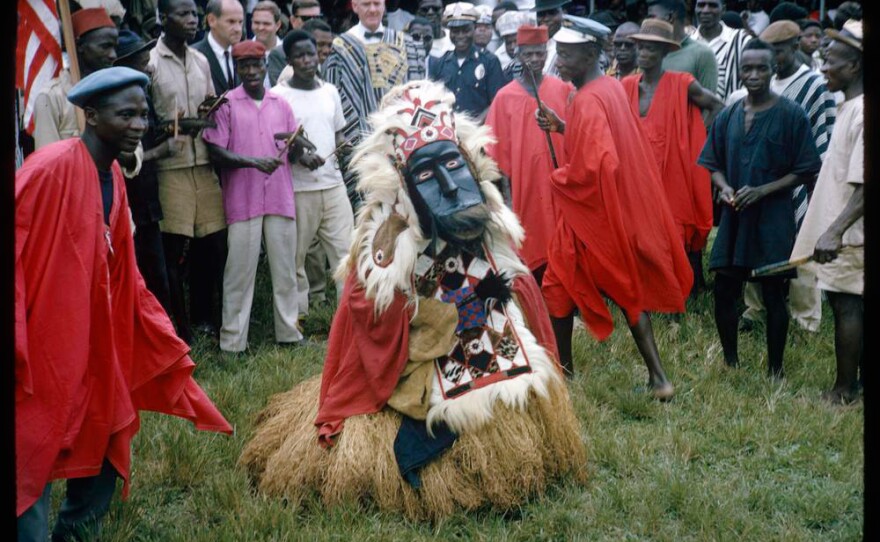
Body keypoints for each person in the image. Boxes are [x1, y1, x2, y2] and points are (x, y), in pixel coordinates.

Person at [240, 80, 586, 520]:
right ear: (403, 178)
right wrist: (430, 315)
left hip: (491, 337)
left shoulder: (484, 207)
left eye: (452, 165)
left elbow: (510, 274)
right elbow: (367, 308)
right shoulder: (386, 233)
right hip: (422, 352)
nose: (448, 184)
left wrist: (494, 295)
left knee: (516, 372)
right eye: (426, 174)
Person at [15, 66, 232, 542]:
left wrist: (149, 323)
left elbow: (118, 264)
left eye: (143, 114)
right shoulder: (47, 169)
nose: (139, 124)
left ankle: (75, 531)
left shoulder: (111, 170)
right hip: (43, 338)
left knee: (106, 422)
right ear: (91, 115)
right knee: (29, 444)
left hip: (94, 336)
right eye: (126, 115)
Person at [536, 16, 691, 398]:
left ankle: (565, 377)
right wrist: (561, 127)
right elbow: (604, 142)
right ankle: (657, 379)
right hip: (615, 210)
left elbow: (599, 163)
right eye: (557, 53)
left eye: (567, 55)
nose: (558, 63)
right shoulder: (607, 88)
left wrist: (559, 180)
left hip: (592, 215)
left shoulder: (587, 99)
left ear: (591, 54)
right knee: (625, 288)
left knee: (557, 286)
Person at [698, 39, 822, 377]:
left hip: (773, 220)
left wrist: (764, 190)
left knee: (772, 293)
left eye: (761, 68)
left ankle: (775, 369)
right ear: (739, 71)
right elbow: (712, 161)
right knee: (724, 289)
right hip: (735, 218)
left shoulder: (790, 114)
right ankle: (730, 361)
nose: (753, 75)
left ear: (773, 69)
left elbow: (807, 168)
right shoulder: (729, 115)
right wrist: (723, 188)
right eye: (747, 68)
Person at [728, 20, 838, 333]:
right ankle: (756, 309)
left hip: (799, 180)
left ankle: (805, 318)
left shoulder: (814, 84)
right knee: (756, 241)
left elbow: (823, 139)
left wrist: (817, 186)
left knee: (802, 245)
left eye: (778, 50)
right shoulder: (761, 82)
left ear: (794, 47)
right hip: (759, 179)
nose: (772, 57)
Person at [201, 40, 304, 352]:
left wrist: (299, 145)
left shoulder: (281, 104)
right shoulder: (228, 104)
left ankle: (289, 334)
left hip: (279, 198)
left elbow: (294, 150)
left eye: (255, 65)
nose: (250, 71)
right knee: (239, 273)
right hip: (242, 200)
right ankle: (233, 342)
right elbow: (215, 151)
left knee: (284, 270)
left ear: (265, 66)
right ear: (237, 69)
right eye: (243, 66)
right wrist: (253, 162)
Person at [622, 19, 723, 298]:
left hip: (672, 170)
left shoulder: (683, 83)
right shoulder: (626, 85)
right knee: (638, 230)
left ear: (665, 52)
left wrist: (696, 138)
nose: (643, 54)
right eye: (640, 47)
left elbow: (717, 106)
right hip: (636, 173)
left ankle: (685, 289)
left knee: (677, 228)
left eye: (651, 49)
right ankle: (646, 288)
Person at [791, 19, 864, 404]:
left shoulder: (863, 112)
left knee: (847, 305)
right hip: (846, 229)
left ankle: (843, 391)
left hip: (851, 234)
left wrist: (835, 231)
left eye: (831, 61)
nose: (822, 67)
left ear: (854, 66)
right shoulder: (848, 106)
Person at [149, 0, 228, 343]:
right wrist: (171, 129)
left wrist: (207, 112)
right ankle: (176, 328)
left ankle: (204, 318)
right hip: (171, 167)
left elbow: (208, 105)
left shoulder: (200, 60)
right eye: (183, 14)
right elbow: (147, 121)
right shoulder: (150, 63)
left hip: (203, 163)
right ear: (164, 18)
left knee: (212, 244)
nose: (191, 20)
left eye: (194, 14)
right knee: (172, 250)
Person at [273, 30, 355, 318]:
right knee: (295, 257)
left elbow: (338, 131)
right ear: (289, 60)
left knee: (346, 252)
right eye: (300, 56)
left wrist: (343, 147)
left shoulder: (329, 91)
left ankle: (351, 314)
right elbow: (276, 139)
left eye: (311, 53)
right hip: (298, 189)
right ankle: (297, 319)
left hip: (333, 185)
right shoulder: (279, 96)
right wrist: (299, 156)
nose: (307, 60)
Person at [485, 24, 571, 286]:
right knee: (531, 238)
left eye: (540, 53)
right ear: (518, 55)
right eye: (529, 54)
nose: (535, 59)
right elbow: (495, 155)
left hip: (560, 181)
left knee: (563, 236)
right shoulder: (504, 97)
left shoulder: (562, 89)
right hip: (526, 186)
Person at [322, 0, 427, 206]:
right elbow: (334, 99)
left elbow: (418, 92)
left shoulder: (407, 44)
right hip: (362, 139)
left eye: (377, 4)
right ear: (354, 7)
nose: (372, 9)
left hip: (402, 139)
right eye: (366, 4)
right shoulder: (340, 47)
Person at [112, 30, 175, 316]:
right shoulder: (112, 107)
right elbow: (120, 161)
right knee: (131, 278)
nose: (149, 67)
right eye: (141, 62)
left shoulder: (145, 95)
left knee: (159, 277)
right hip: (126, 207)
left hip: (149, 204)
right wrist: (156, 154)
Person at [32, 7, 118, 149]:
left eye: (115, 47)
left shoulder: (118, 90)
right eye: (105, 47)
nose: (113, 55)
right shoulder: (51, 97)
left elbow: (134, 154)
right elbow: (48, 160)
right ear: (79, 46)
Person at [429, 2, 507, 121]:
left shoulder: (490, 62)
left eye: (465, 30)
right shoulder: (439, 63)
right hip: (448, 132)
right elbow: (433, 101)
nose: (460, 36)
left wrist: (473, 126)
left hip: (479, 132)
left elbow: (497, 102)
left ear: (474, 29)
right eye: (455, 31)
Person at [647, 0, 719, 103]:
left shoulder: (702, 53)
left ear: (670, 17)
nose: (647, 23)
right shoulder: (650, 53)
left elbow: (710, 106)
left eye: (652, 17)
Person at [690, 0, 752, 102]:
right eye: (701, 5)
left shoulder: (741, 40)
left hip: (731, 113)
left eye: (712, 5)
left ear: (723, 10)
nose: (705, 10)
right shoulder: (688, 42)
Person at [193, 0, 244, 94]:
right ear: (212, 20)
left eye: (240, 22)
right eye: (231, 22)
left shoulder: (243, 55)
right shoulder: (194, 55)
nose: (238, 29)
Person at [532, 0, 570, 76]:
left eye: (552, 13)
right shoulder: (531, 44)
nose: (546, 19)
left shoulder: (572, 43)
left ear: (564, 13)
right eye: (541, 14)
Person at [252, 1, 284, 87]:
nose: (260, 27)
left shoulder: (287, 52)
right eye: (256, 23)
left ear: (277, 25)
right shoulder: (243, 51)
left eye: (266, 24)